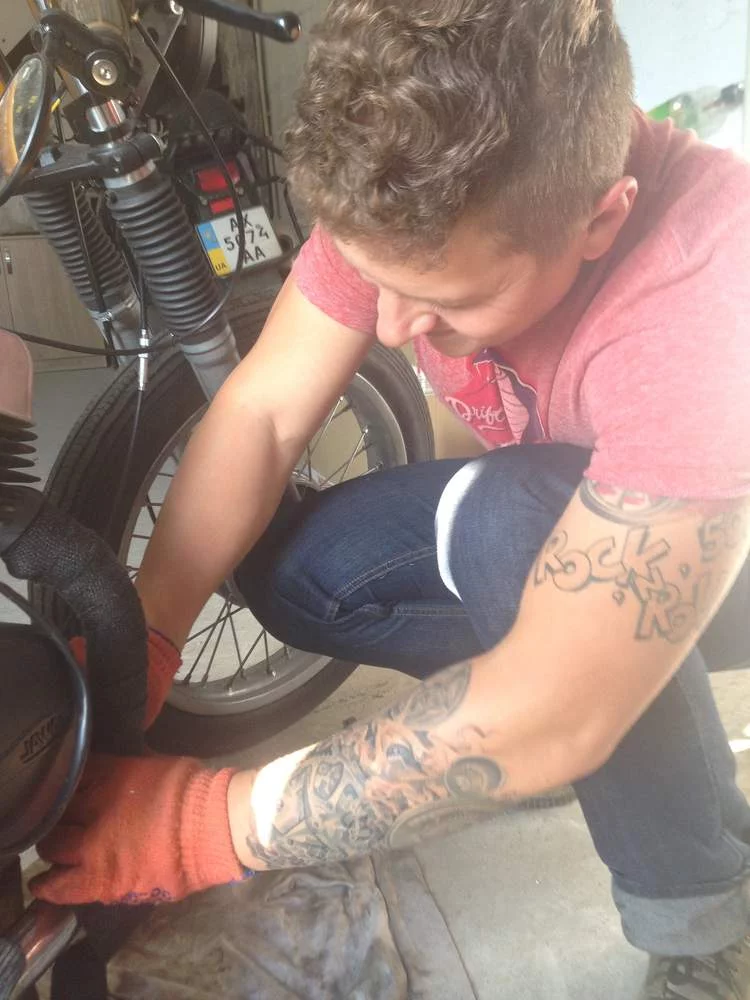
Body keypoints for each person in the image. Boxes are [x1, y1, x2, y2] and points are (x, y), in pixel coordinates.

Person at [31, 1, 750, 996]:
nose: (397, 327)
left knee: (516, 530)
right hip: (562, 519)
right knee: (290, 563)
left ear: (602, 220)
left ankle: (706, 906)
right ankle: (496, 736)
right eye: (379, 283)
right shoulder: (405, 189)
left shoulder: (710, 284)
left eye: (448, 301)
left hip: (709, 563)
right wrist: (141, 639)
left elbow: (570, 699)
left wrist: (210, 823)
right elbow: (262, 417)